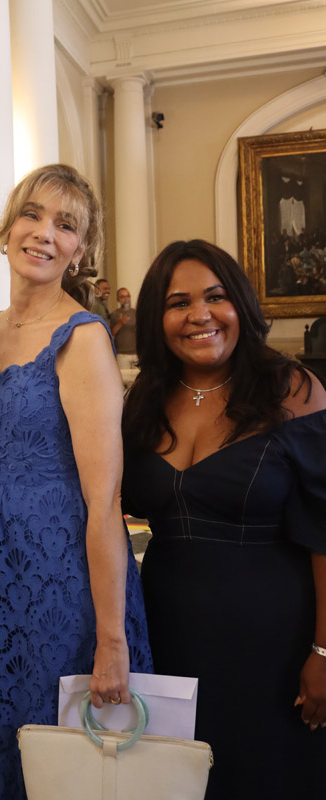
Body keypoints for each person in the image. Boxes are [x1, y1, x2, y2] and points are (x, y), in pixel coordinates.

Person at [0, 163, 153, 800]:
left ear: (80, 248)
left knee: (58, 755)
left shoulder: (83, 337)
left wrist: (111, 639)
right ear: (9, 226)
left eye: (65, 224)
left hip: (59, 580)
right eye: (32, 215)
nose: (44, 233)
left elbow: (105, 503)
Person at [122, 238, 326, 800]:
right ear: (157, 320)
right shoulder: (145, 398)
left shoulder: (293, 390)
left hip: (275, 640)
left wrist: (325, 650)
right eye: (177, 302)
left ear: (240, 304)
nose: (199, 315)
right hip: (166, 635)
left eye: (215, 297)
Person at [110, 287, 137, 370]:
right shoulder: (115, 314)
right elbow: (112, 333)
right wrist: (120, 323)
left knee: (138, 380)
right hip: (122, 354)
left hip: (136, 353)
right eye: (122, 297)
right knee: (124, 380)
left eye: (127, 296)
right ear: (118, 299)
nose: (126, 299)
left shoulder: (136, 312)